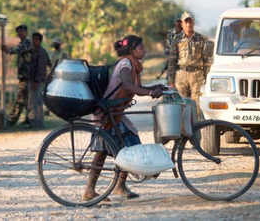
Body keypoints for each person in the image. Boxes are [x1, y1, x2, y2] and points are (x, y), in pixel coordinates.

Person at [83, 35, 164, 201]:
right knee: (102, 152)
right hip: (107, 113)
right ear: (132, 50)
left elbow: (137, 87)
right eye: (141, 48)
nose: (145, 51)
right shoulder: (126, 64)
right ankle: (89, 191)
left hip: (116, 113)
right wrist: (149, 92)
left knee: (129, 142)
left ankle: (120, 186)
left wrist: (155, 87)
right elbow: (128, 86)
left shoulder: (133, 65)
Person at [167, 11, 213, 114]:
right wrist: (170, 80)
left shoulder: (201, 39)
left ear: (193, 23)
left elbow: (207, 61)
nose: (188, 24)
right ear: (182, 24)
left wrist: (207, 78)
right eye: (186, 22)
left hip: (197, 75)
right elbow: (172, 61)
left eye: (190, 22)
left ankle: (196, 127)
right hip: (181, 75)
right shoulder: (177, 40)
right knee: (181, 104)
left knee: (197, 105)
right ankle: (183, 129)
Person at [2, 24, 32, 126]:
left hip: (27, 76)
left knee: (21, 98)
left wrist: (9, 50)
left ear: (26, 32)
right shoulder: (23, 43)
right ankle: (29, 119)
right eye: (18, 32)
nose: (20, 33)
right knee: (26, 99)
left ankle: (12, 120)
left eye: (21, 31)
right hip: (24, 75)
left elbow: (19, 49)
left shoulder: (27, 43)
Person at [28, 32, 51, 128]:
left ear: (40, 41)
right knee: (33, 102)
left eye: (36, 39)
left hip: (38, 81)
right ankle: (34, 121)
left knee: (37, 102)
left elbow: (41, 68)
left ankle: (39, 122)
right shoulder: (33, 51)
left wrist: (36, 81)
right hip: (33, 80)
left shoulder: (41, 52)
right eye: (33, 39)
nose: (34, 41)